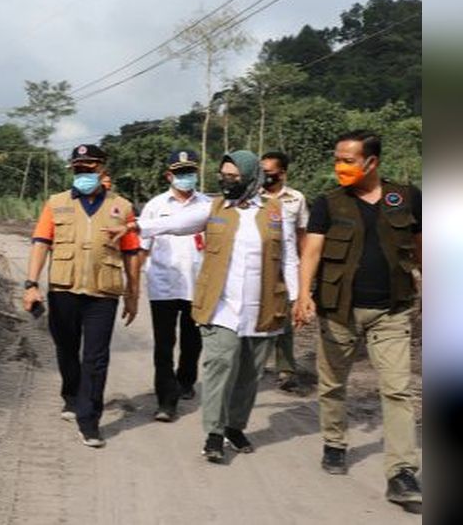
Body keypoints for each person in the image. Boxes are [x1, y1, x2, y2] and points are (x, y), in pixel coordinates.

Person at [111, 150, 298, 463]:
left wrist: (298, 296)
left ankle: (235, 427)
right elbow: (176, 223)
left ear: (251, 178)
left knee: (249, 374)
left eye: (233, 177)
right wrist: (135, 227)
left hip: (262, 305)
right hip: (222, 305)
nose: (226, 181)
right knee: (218, 367)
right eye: (223, 175)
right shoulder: (214, 208)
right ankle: (213, 433)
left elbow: (290, 257)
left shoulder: (276, 211)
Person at [294, 130, 422, 514]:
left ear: (372, 162)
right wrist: (304, 295)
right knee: (333, 384)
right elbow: (312, 251)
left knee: (398, 389)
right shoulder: (328, 203)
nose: (340, 166)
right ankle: (334, 442)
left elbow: (421, 245)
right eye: (337, 159)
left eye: (348, 160)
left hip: (392, 310)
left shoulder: (406, 196)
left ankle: (401, 472)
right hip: (339, 310)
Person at [22, 144, 141, 448]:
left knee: (96, 357)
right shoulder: (56, 203)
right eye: (78, 168)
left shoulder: (122, 207)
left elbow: (131, 252)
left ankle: (89, 420)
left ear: (102, 168)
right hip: (64, 290)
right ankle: (72, 395)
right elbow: (40, 243)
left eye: (89, 167)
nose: (83, 172)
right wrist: (31, 284)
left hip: (103, 293)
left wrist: (133, 293)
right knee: (66, 348)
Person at [138, 149, 208, 422]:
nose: (185, 177)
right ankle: (166, 401)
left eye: (189, 172)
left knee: (193, 342)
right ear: (169, 175)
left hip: (197, 285)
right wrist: (133, 284)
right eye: (179, 173)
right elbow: (144, 246)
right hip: (163, 285)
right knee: (164, 345)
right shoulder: (156, 206)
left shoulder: (207, 206)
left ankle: (186, 380)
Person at [259, 151, 309, 392]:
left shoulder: (296, 199)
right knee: (257, 317)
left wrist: (307, 271)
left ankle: (286, 369)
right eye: (262, 173)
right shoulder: (252, 197)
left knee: (285, 321)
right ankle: (253, 366)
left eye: (269, 173)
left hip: (288, 267)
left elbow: (302, 235)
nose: (264, 177)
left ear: (282, 173)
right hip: (259, 268)